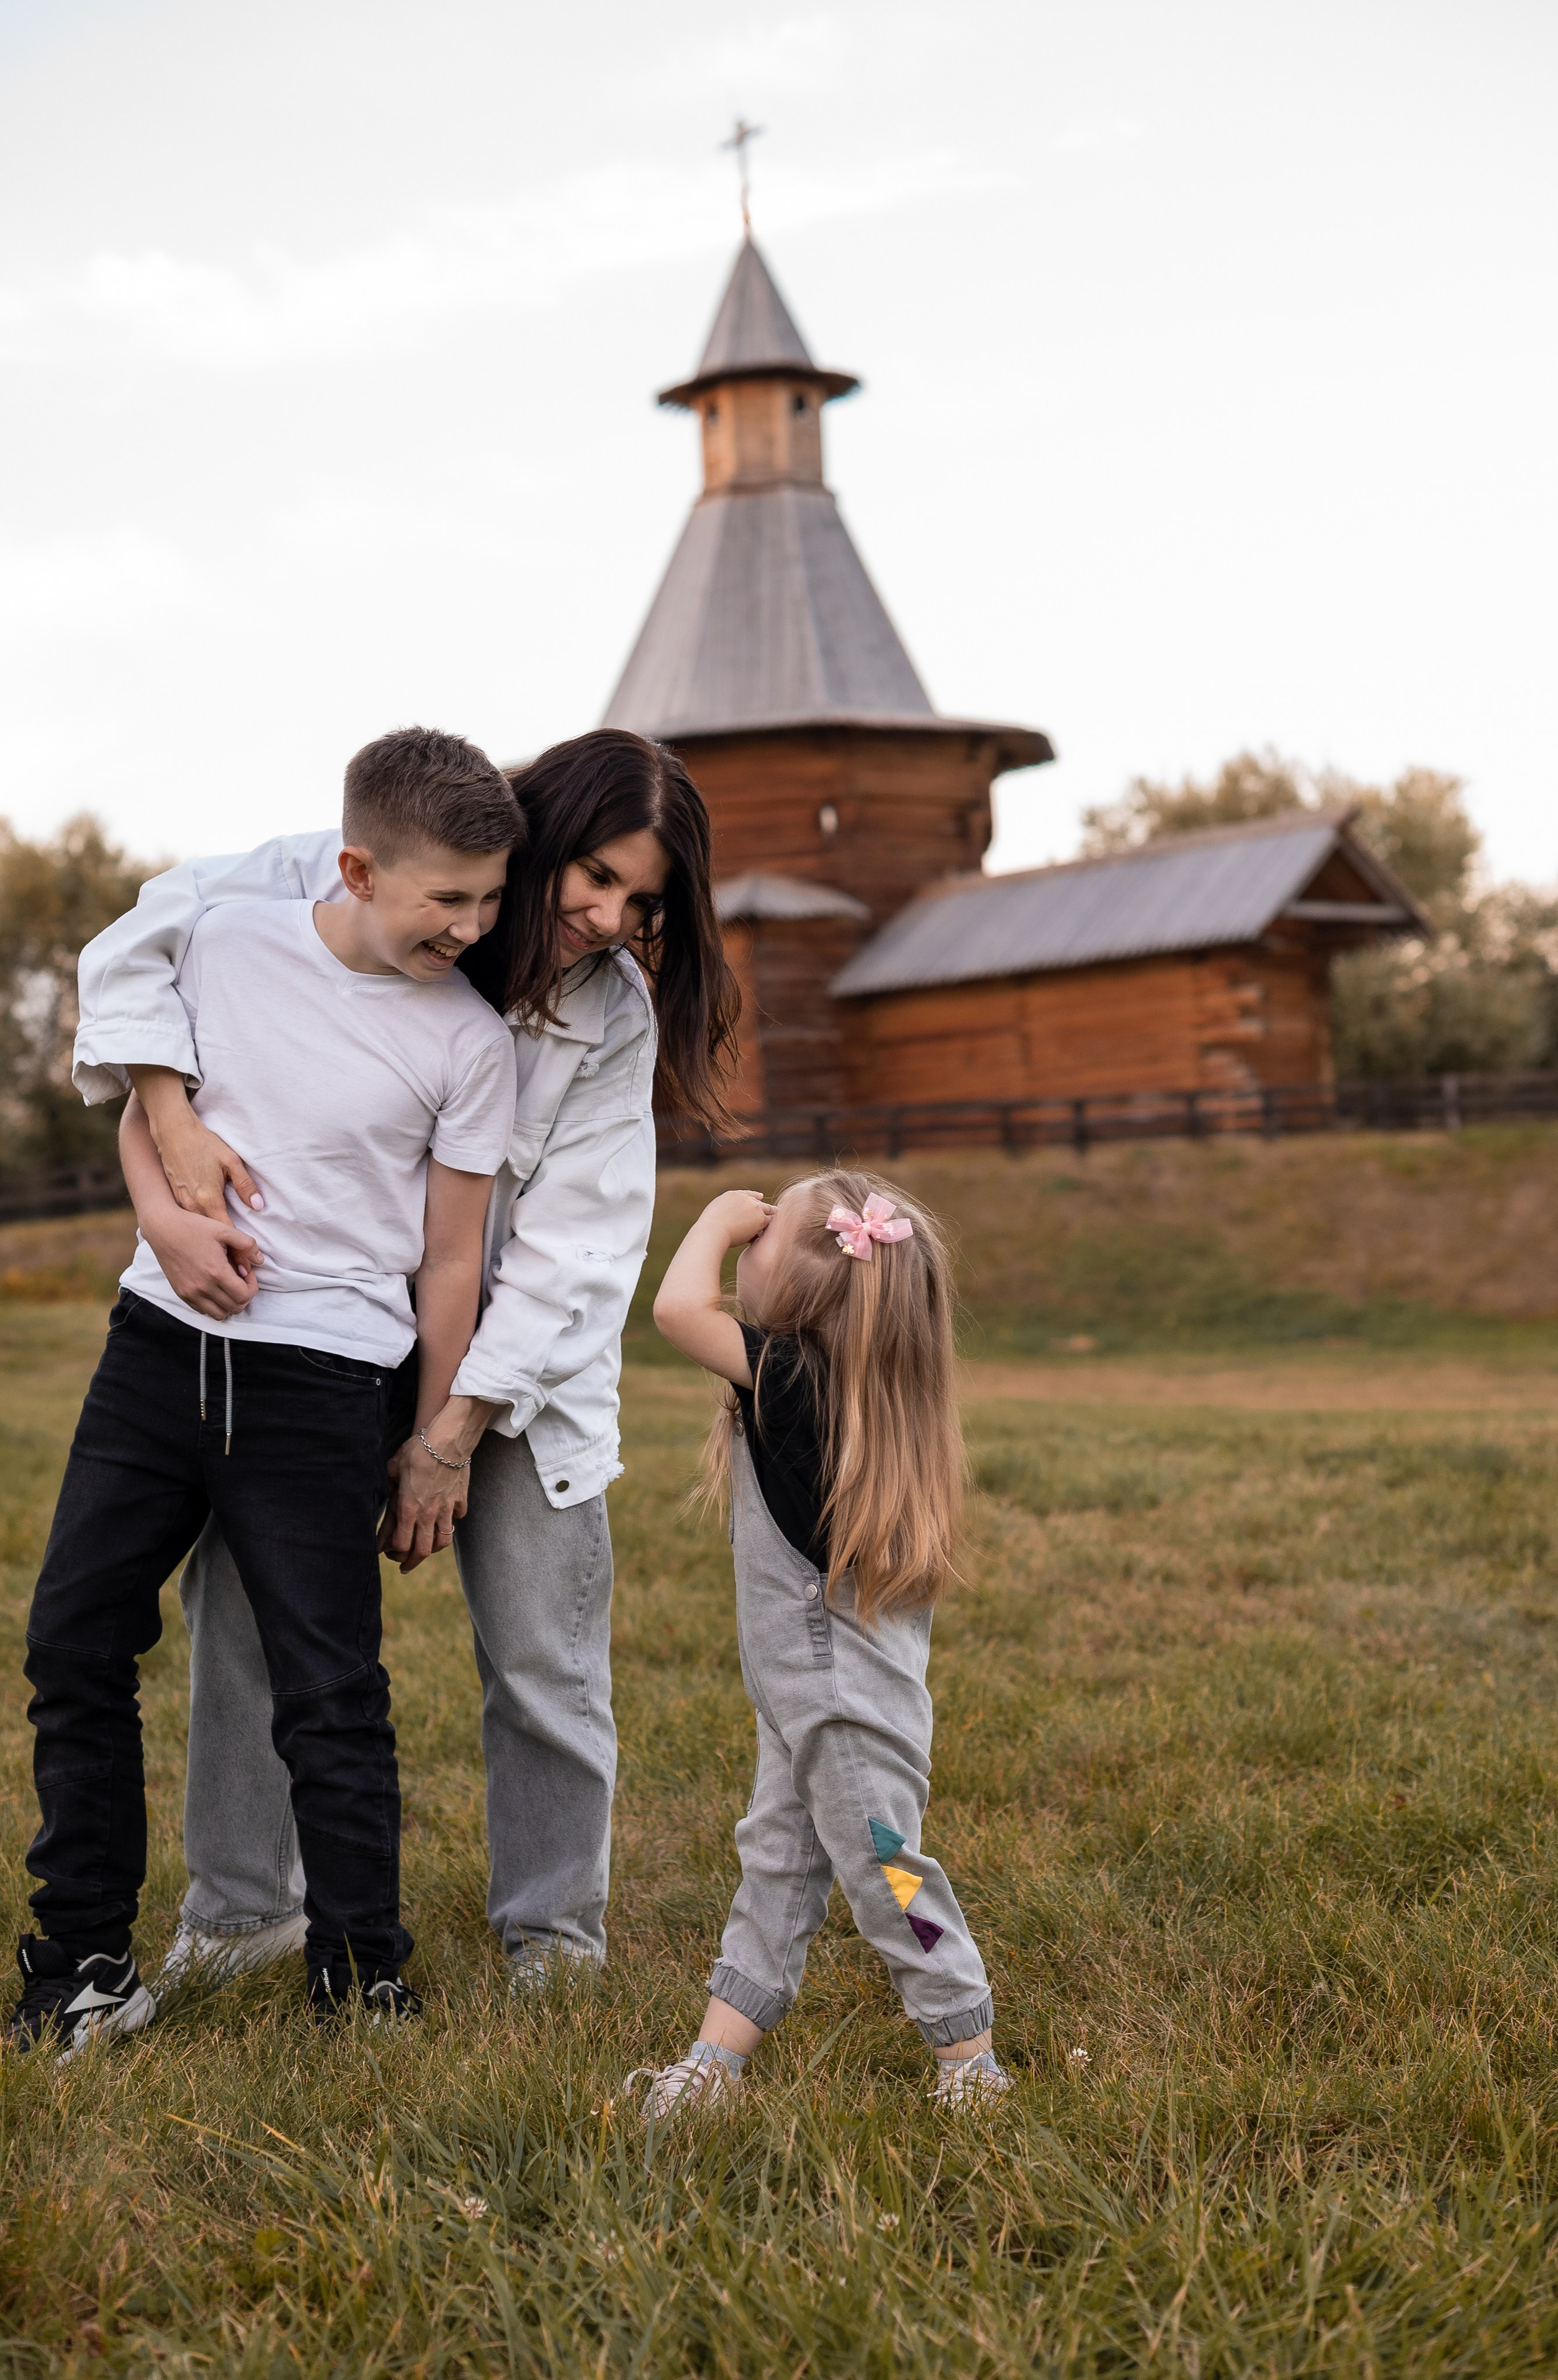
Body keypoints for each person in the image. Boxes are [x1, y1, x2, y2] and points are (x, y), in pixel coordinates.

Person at [69, 729, 739, 1996]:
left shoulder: (608, 1013)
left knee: (541, 1653)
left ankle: (552, 1937)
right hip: (312, 1333)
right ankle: (242, 1915)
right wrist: (166, 1113)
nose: (609, 919)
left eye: (643, 902)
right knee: (245, 1625)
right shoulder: (342, 876)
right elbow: (135, 947)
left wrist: (449, 1433)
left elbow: (576, 1249)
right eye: (595, 876)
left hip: (516, 1372)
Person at [9, 727, 523, 2052]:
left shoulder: (470, 1045)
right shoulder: (227, 943)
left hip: (324, 1383)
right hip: (154, 1347)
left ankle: (362, 1975)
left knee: (329, 1688)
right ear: (357, 868)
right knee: (73, 1642)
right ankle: (82, 1966)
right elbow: (151, 1104)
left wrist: (433, 1440)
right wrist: (163, 1221)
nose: (472, 927)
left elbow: (452, 1261)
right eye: (446, 898)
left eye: (488, 899)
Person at [631, 1170, 1010, 2113]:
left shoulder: (797, 1379)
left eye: (763, 1234)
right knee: (778, 1865)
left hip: (838, 1710)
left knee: (890, 1876)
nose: (746, 1237)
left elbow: (678, 1311)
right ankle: (714, 2063)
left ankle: (970, 2056)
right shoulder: (839, 1387)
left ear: (807, 1280)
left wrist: (716, 1218)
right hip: (804, 1698)